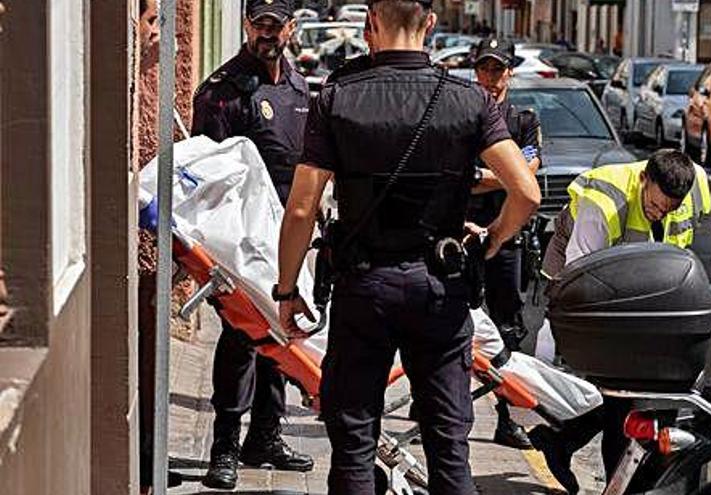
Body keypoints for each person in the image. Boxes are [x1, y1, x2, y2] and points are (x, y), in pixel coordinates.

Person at [275, 0, 541, 493]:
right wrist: (492, 239)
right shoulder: (469, 101)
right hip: (439, 290)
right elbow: (526, 191)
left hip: (364, 287)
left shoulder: (335, 99)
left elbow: (300, 209)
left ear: (371, 24)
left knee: (354, 444)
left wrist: (287, 290)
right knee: (448, 447)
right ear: (432, 26)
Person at [530, 148, 711, 494]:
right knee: (621, 390)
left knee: (663, 389)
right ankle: (619, 480)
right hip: (585, 285)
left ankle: (567, 443)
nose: (662, 214)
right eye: (655, 205)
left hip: (646, 292)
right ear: (645, 178)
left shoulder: (695, 184)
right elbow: (581, 280)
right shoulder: (602, 205)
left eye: (670, 208)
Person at [191, 0, 314, 489]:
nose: (266, 33)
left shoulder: (300, 86)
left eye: (274, 25)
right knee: (242, 337)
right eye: (258, 23)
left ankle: (265, 435)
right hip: (242, 239)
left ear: (290, 28)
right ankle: (224, 445)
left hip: (290, 234)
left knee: (283, 335)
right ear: (248, 25)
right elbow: (205, 171)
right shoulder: (222, 92)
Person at [469, 37, 541, 450]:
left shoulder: (523, 120)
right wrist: (509, 177)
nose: (491, 78)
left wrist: (486, 178)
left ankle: (507, 416)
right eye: (484, 69)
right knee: (450, 321)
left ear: (510, 71)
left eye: (498, 69)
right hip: (465, 230)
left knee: (507, 327)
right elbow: (465, 178)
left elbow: (528, 177)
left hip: (507, 235)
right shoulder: (464, 115)